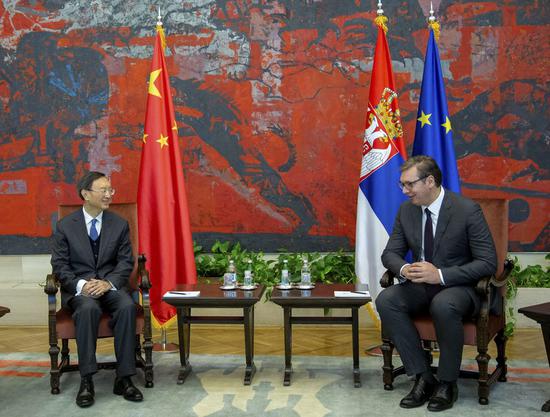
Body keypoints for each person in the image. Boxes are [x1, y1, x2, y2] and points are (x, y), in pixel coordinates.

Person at [375, 155, 497, 412]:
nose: (405, 191)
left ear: (430, 181)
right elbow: (390, 253)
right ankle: (422, 376)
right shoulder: (406, 210)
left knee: (444, 304)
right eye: (402, 185)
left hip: (461, 289)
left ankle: (447, 383)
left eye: (409, 184)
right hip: (420, 286)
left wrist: (440, 275)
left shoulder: (466, 210)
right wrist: (406, 269)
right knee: (387, 299)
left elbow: (487, 263)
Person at [51, 171, 143, 407]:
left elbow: (125, 262)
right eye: (103, 190)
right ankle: (87, 380)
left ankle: (124, 378)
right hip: (80, 290)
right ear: (85, 194)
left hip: (109, 285)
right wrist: (81, 285)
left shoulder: (119, 224)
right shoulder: (64, 226)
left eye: (110, 190)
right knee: (88, 309)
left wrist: (108, 283)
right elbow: (60, 265)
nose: (109, 194)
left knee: (126, 306)